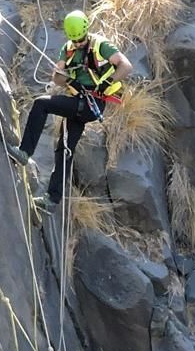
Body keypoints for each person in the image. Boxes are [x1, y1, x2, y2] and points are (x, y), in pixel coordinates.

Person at [10, 10, 134, 205]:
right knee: (65, 148)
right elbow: (57, 78)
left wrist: (106, 83)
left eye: (81, 39)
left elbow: (126, 66)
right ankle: (52, 199)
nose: (78, 43)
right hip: (78, 101)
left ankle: (24, 151)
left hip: (92, 103)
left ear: (86, 32)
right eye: (75, 40)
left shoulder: (101, 45)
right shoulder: (67, 49)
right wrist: (67, 78)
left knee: (41, 104)